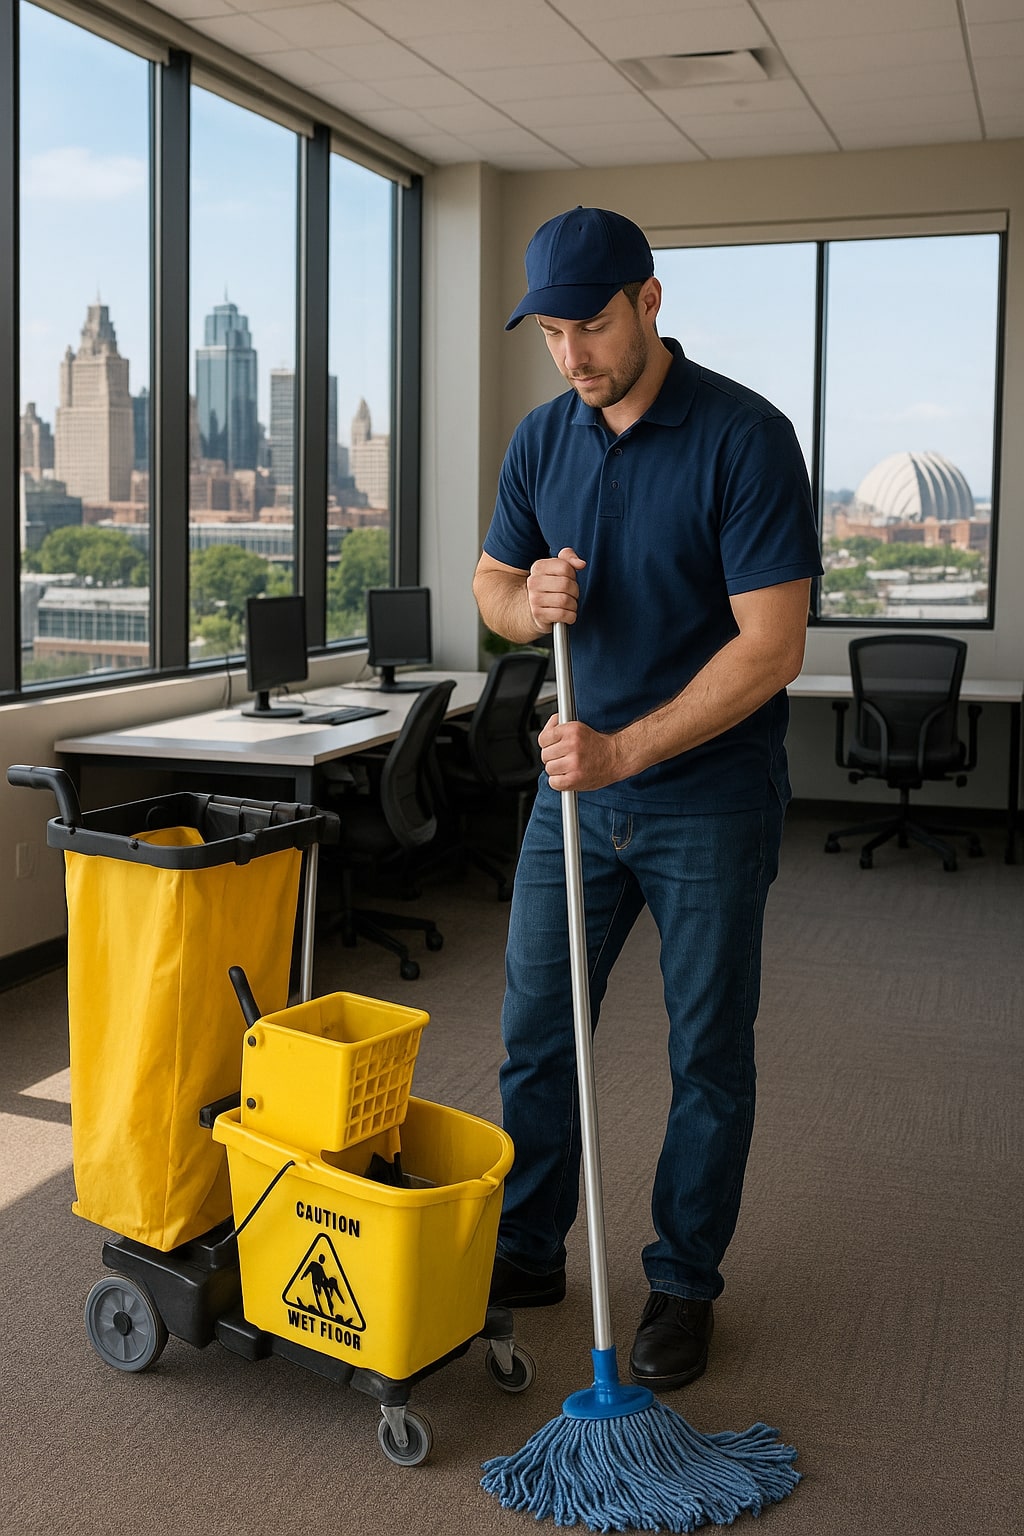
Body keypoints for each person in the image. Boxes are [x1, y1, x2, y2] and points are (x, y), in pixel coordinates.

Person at [473, 206, 823, 1392]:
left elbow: (771, 647)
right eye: (553, 331)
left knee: (706, 1053)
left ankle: (682, 1284)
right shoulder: (541, 439)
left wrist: (630, 753)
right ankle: (526, 1252)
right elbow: (491, 579)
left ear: (650, 302)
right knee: (534, 1034)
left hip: (707, 803)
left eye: (593, 324)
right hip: (572, 796)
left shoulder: (745, 438)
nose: (573, 353)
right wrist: (530, 604)